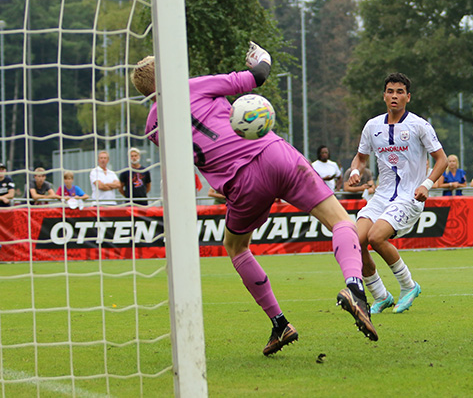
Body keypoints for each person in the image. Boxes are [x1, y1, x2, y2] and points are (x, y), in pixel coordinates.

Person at [130, 43, 377, 354]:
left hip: (241, 184)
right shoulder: (193, 86)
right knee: (340, 220)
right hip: (274, 154)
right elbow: (258, 75)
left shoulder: (152, 127)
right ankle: (355, 287)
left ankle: (280, 322)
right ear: (167, 73)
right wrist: (262, 57)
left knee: (235, 247)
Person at [348, 72, 448, 316]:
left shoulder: (419, 125)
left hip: (409, 197)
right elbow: (361, 157)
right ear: (384, 96)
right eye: (390, 91)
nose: (394, 96)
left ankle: (409, 286)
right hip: (380, 196)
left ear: (408, 97)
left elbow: (442, 160)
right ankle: (381, 296)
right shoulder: (372, 126)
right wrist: (354, 171)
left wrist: (427, 184)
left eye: (400, 92)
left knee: (376, 237)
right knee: (355, 241)